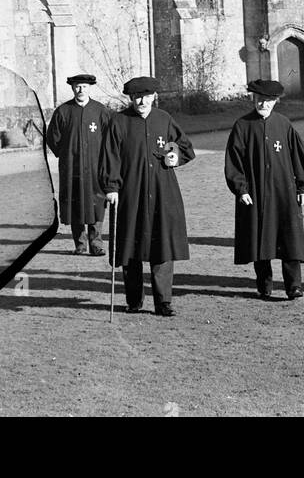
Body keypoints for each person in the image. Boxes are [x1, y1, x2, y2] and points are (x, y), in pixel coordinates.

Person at [99, 76, 194, 316]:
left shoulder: (164, 119)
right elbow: (109, 157)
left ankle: (163, 302)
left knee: (161, 246)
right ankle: (134, 300)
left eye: (146, 96)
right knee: (130, 246)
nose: (141, 101)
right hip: (130, 193)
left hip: (163, 192)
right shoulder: (119, 121)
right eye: (136, 97)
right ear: (131, 98)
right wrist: (111, 188)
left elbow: (184, 147)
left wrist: (174, 156)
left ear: (154, 97)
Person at [224, 79, 304, 301]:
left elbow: (299, 158)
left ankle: (294, 286)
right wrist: (241, 189)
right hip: (254, 194)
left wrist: (303, 188)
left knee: (290, 241)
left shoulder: (284, 125)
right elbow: (234, 162)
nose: (262, 104)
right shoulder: (242, 126)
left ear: (275, 102)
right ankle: (264, 285)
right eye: (259, 100)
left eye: (267, 101)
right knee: (259, 240)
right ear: (253, 99)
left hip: (284, 193)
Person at [45, 73, 110, 255]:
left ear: (90, 88)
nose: (81, 90)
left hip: (96, 168)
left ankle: (96, 244)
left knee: (96, 203)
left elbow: (109, 138)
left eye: (84, 87)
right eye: (77, 87)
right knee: (76, 205)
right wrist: (65, 154)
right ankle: (80, 244)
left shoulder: (100, 111)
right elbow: (52, 138)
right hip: (72, 168)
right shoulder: (63, 111)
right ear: (72, 88)